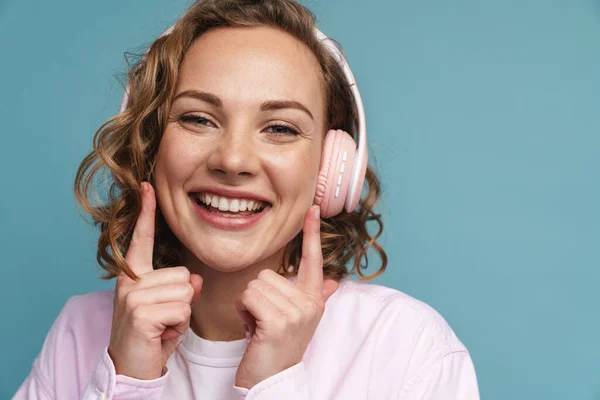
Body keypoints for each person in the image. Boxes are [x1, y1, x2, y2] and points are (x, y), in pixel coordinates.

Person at [14, 0, 480, 399]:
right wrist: (126, 380)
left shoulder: (409, 347)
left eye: (280, 128)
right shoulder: (81, 332)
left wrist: (275, 385)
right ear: (148, 148)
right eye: (198, 119)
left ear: (331, 168)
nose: (234, 160)